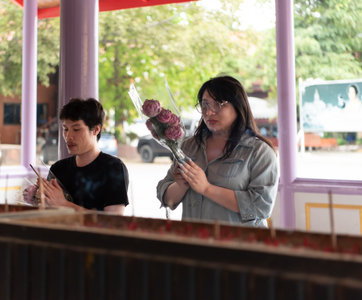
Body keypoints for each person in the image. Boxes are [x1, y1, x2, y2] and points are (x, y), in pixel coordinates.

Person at [157, 76, 279, 227]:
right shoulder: (188, 147)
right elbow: (166, 199)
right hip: (195, 242)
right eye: (205, 104)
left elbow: (262, 207)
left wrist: (207, 189)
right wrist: (181, 185)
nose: (209, 112)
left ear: (238, 106)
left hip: (240, 246)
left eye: (218, 104)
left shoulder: (259, 152)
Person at [29, 98, 129, 214]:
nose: (68, 136)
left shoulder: (114, 168)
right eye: (65, 129)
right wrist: (37, 199)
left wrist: (64, 204)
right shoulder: (58, 169)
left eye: (76, 129)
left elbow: (114, 221)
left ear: (96, 129)